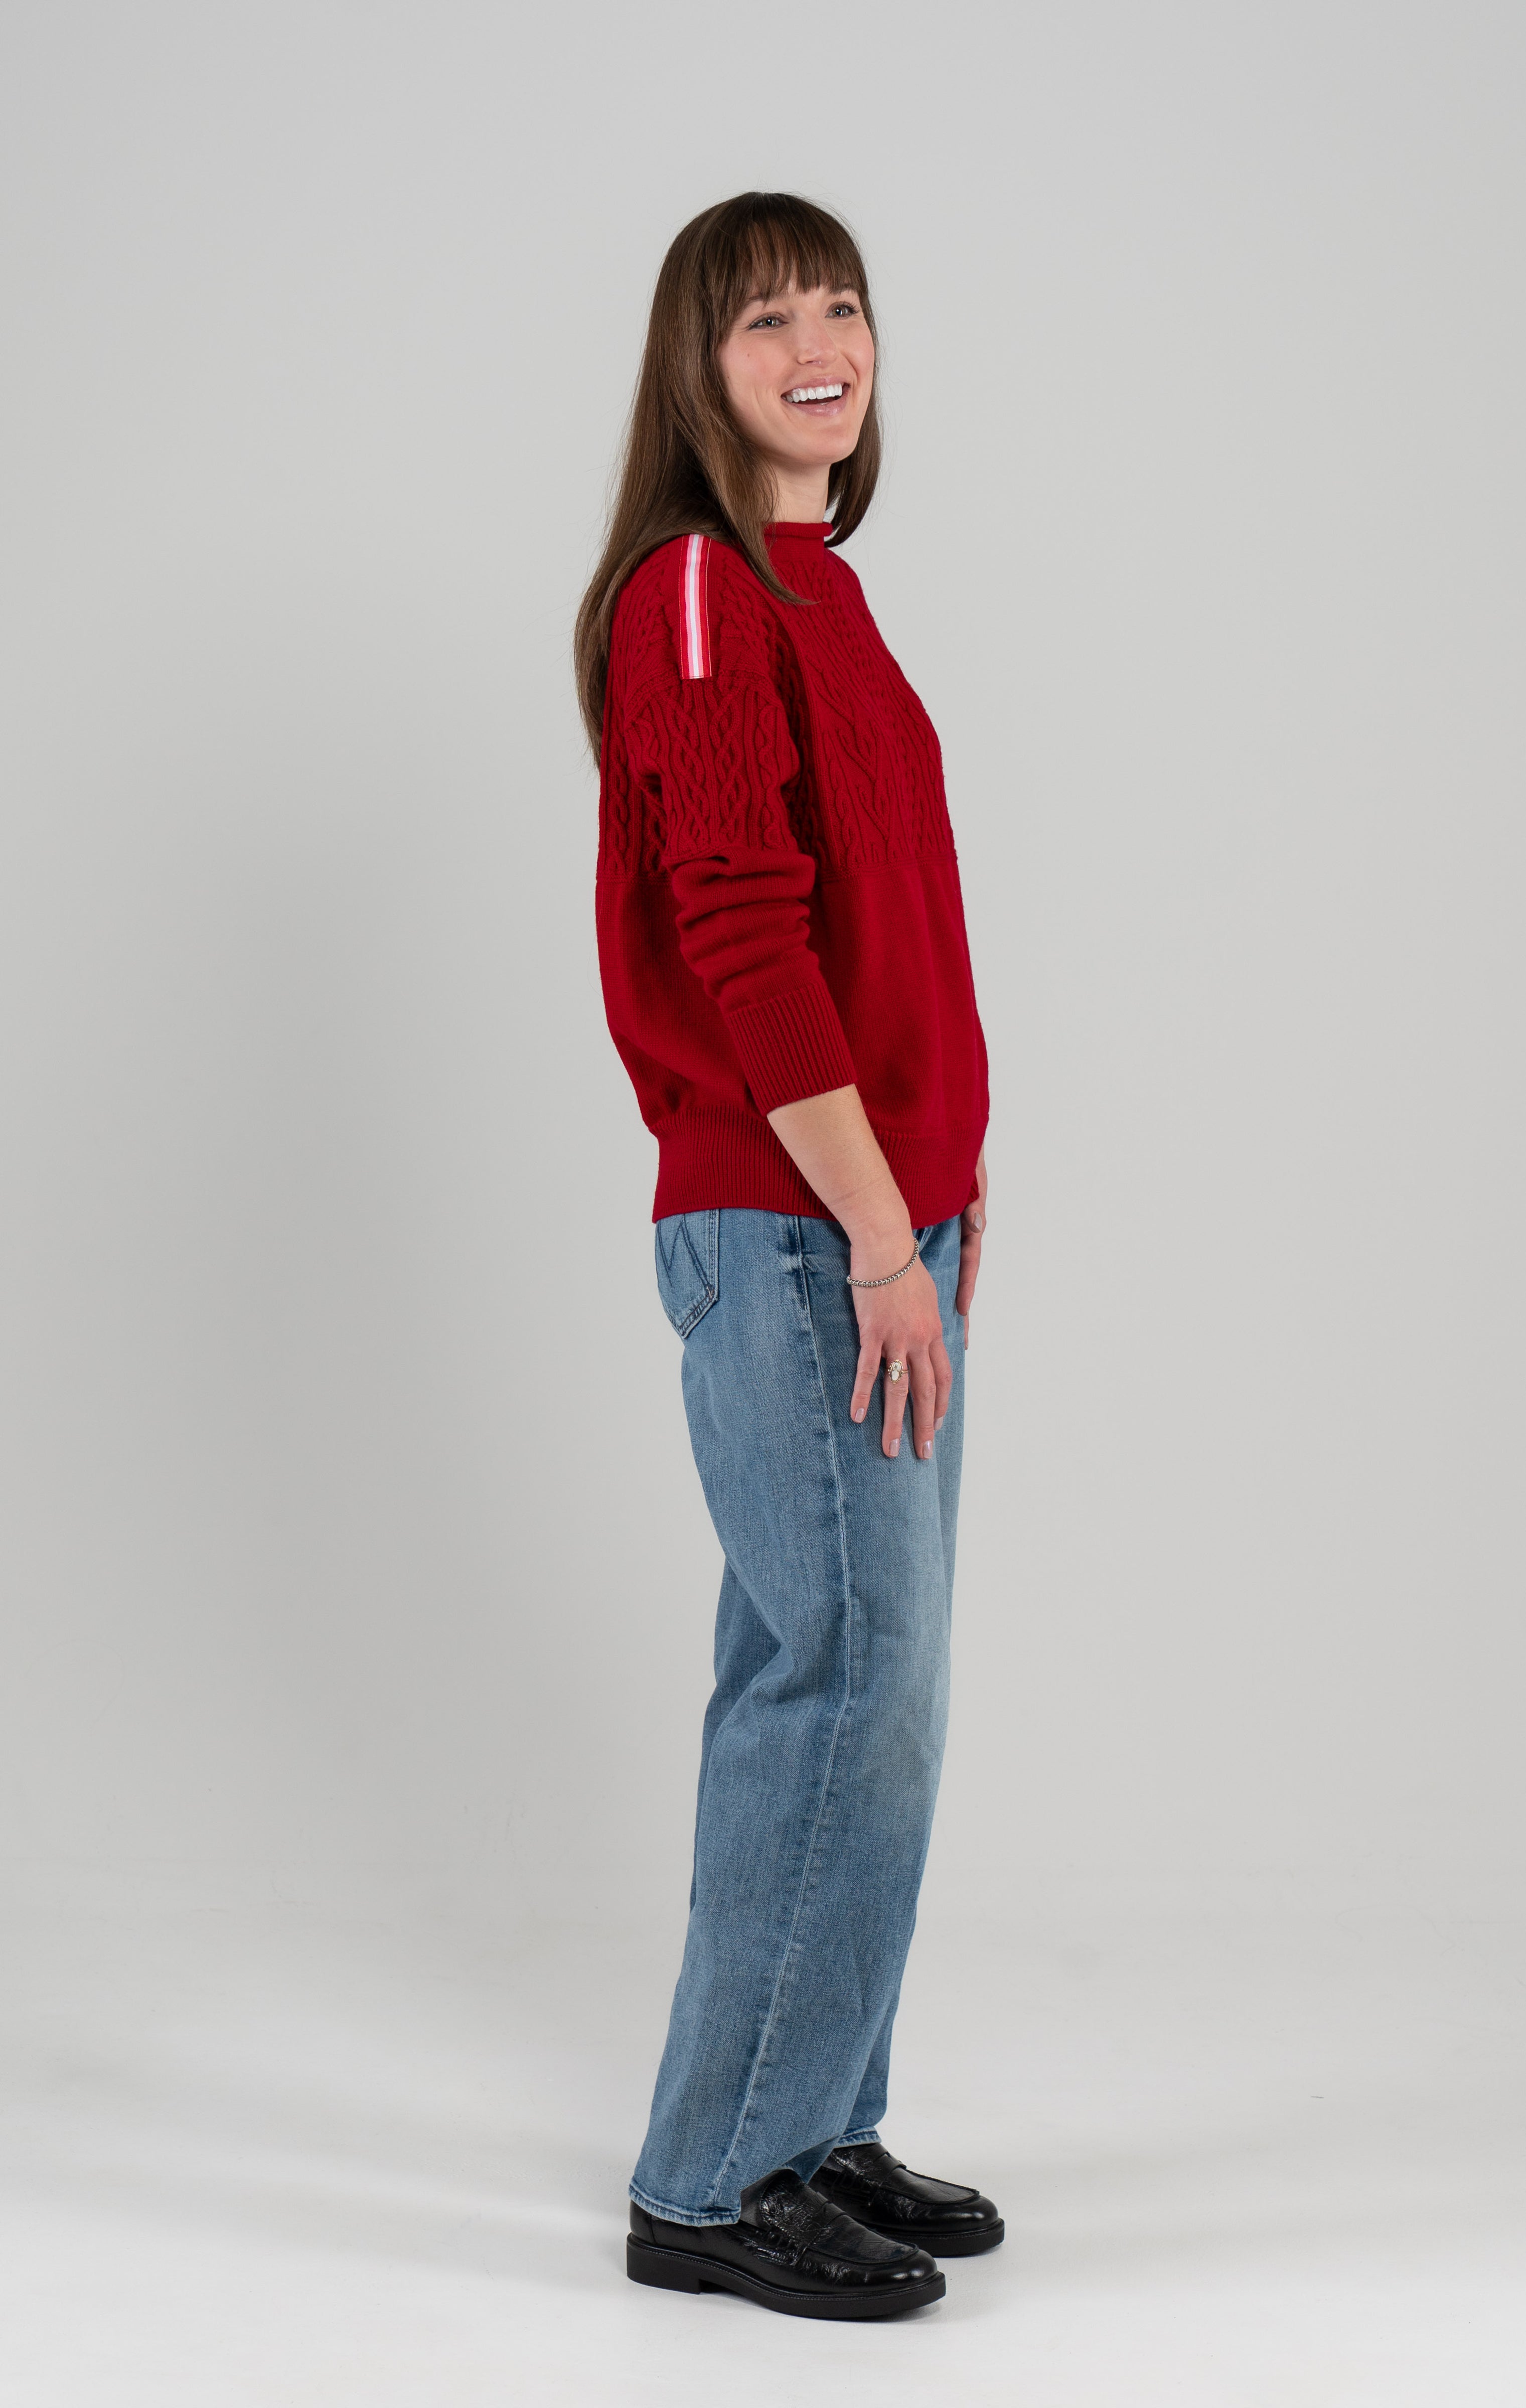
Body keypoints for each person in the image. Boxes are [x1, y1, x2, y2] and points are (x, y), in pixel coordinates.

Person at [575, 192, 997, 2321]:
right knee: (842, 1681)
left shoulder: (822, 595)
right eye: (767, 318)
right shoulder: (695, 596)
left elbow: (890, 936)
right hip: (798, 1229)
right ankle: (715, 2183)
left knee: (846, 1683)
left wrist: (946, 1199)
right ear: (696, 364)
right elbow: (738, 938)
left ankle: (803, 2121)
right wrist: (873, 1229)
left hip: (877, 1226)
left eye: (840, 305)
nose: (818, 343)